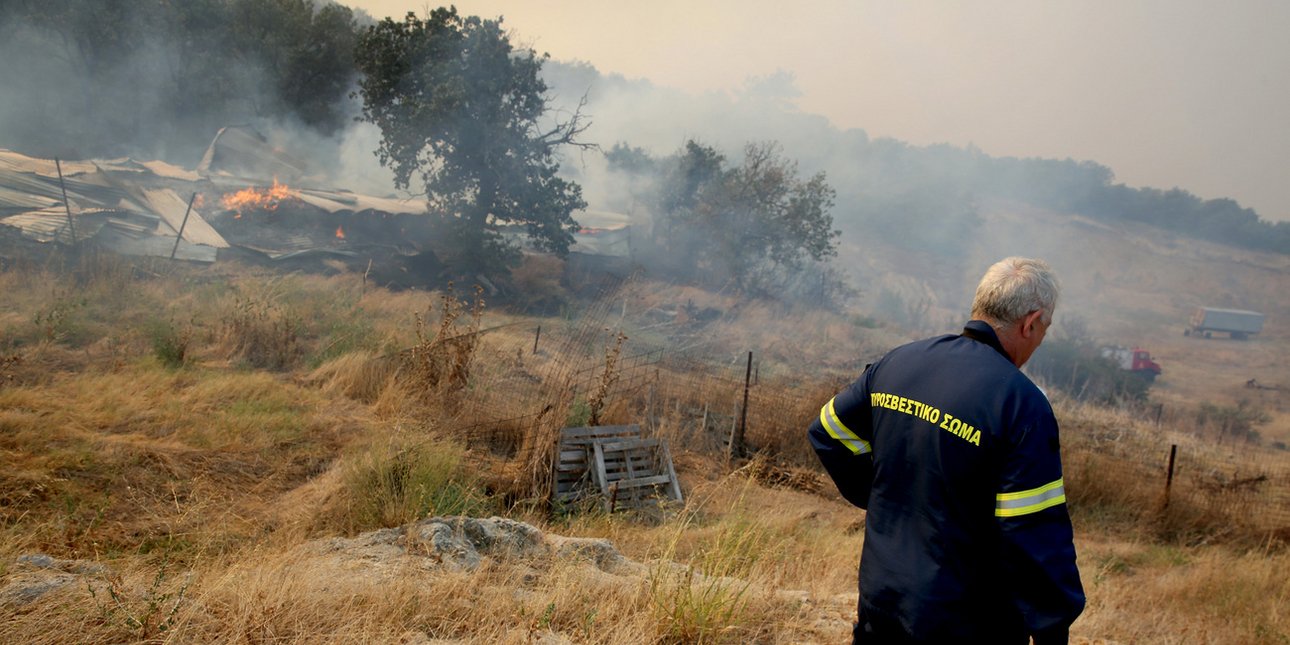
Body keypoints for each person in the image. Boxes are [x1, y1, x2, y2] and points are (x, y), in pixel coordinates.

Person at [808, 257, 1084, 644]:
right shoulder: (1021, 404)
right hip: (967, 622)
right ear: (1031, 322)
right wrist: (1052, 627)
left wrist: (881, 497)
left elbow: (828, 431)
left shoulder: (900, 361)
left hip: (882, 603)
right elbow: (1032, 531)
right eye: (1044, 330)